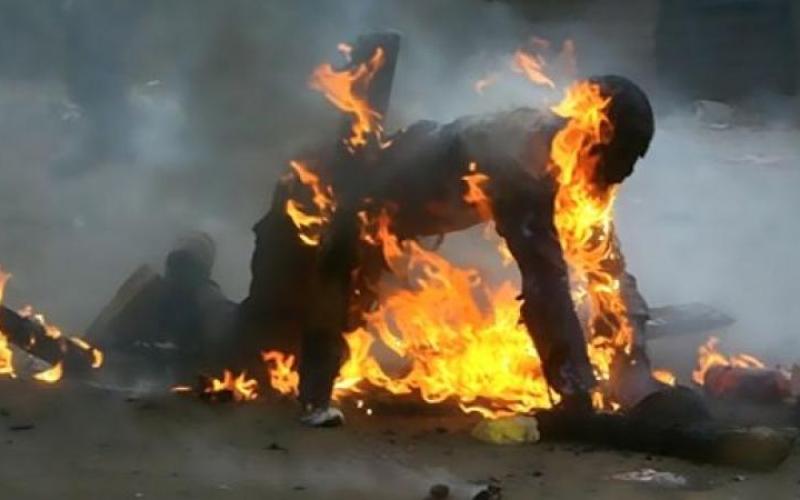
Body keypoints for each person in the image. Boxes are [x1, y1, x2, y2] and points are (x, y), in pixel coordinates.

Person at [244, 75, 657, 426]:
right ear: (596, 131)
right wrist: (577, 397)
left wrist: (633, 360)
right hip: (314, 214)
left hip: (372, 230)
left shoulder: (563, 163)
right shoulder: (516, 158)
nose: (627, 171)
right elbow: (545, 282)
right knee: (254, 350)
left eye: (637, 159)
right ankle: (312, 398)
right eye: (625, 155)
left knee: (285, 328)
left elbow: (608, 268)